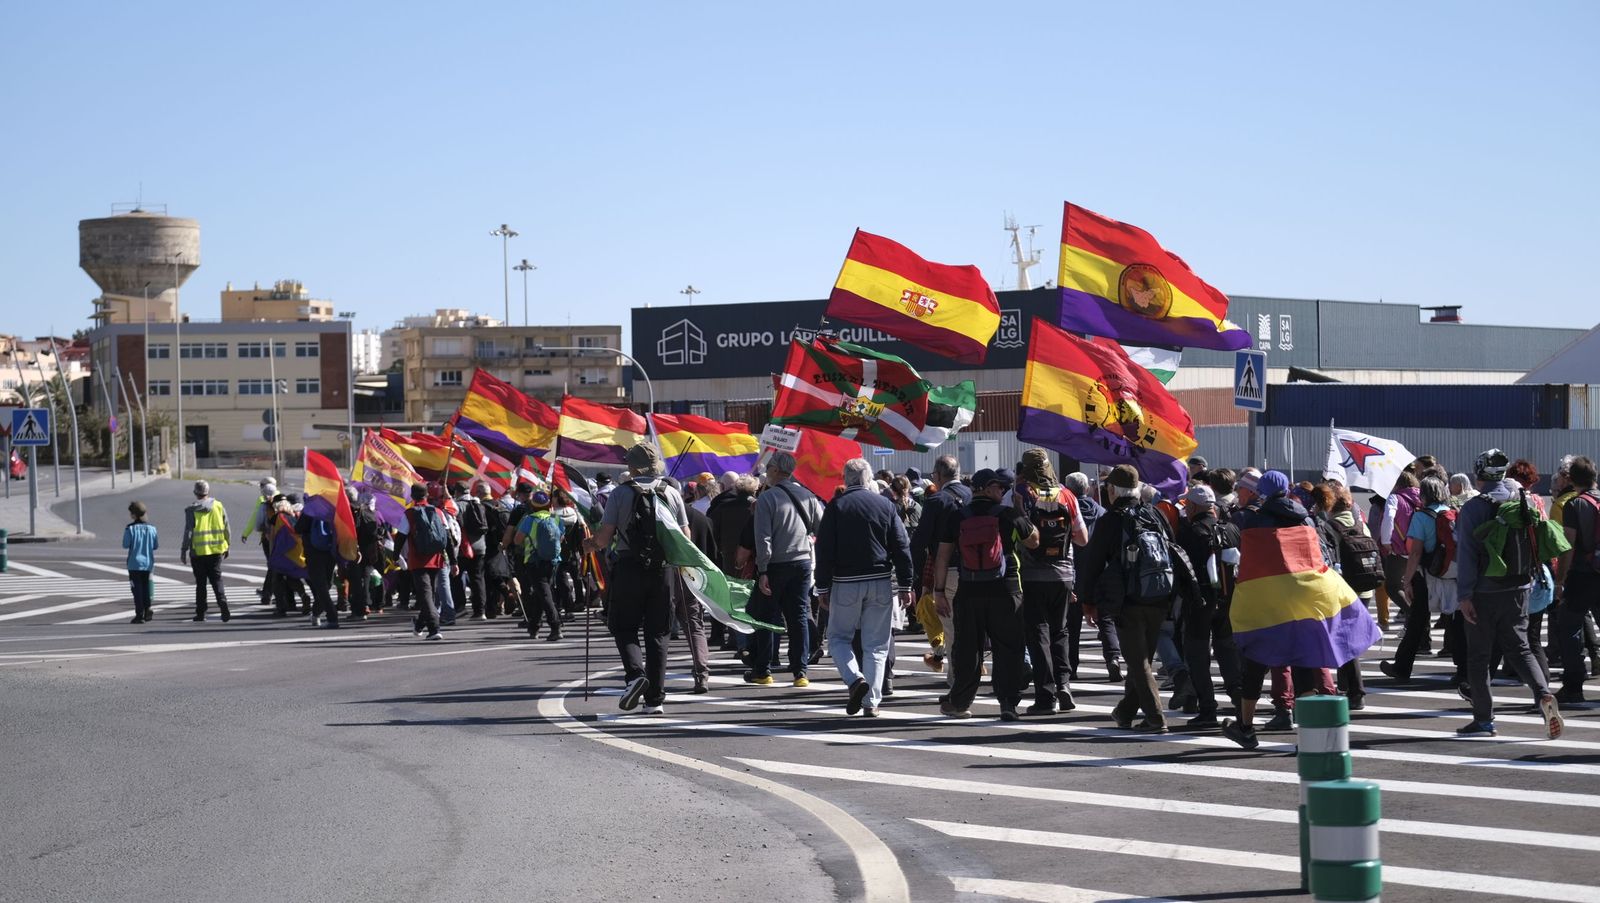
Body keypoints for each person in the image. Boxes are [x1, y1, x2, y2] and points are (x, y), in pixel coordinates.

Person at [1454, 449, 1563, 739]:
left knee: (1479, 656)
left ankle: (1484, 719)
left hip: (1484, 590)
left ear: (1479, 473)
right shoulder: (1523, 499)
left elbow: (1465, 554)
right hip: (1520, 586)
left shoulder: (1474, 508)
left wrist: (1464, 595)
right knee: (1521, 648)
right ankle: (1543, 696)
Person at [585, 443, 690, 714]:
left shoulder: (621, 493)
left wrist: (591, 544)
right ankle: (655, 699)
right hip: (663, 570)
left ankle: (635, 675)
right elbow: (685, 539)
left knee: (623, 626)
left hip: (629, 567)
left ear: (633, 466)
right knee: (659, 633)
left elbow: (605, 537)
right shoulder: (672, 492)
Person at [1076, 464, 1178, 733]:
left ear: (1112, 490)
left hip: (1128, 600)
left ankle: (1156, 718)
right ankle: (1125, 711)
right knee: (1141, 658)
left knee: (1137, 661)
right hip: (1159, 594)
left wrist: (1088, 600)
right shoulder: (1155, 514)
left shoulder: (1111, 520)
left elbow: (1093, 562)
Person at [932, 468, 1039, 721]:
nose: (1002, 491)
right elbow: (1034, 541)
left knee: (968, 648)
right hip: (1007, 589)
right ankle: (1008, 704)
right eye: (999, 487)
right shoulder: (1008, 513)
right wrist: (1021, 510)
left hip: (969, 591)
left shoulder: (958, 517)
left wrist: (939, 591)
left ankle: (959, 703)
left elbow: (943, 555)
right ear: (987, 488)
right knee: (1009, 648)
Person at [816, 458, 913, 717]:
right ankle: (872, 702)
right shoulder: (885, 505)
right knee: (877, 645)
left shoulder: (836, 506)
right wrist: (905, 584)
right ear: (868, 478)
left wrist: (822, 587)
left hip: (845, 582)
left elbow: (824, 550)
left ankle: (854, 678)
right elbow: (902, 547)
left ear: (845, 478)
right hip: (880, 580)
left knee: (837, 638)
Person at [1016, 450, 1088, 715]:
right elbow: (1083, 539)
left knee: (1038, 634)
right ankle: (1065, 685)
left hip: (1032, 575)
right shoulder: (1067, 495)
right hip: (1064, 575)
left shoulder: (1022, 493)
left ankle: (1045, 697)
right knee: (1061, 632)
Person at [749, 451, 825, 688]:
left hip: (775, 564)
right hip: (802, 562)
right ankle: (800, 671)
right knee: (799, 616)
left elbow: (763, 538)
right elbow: (820, 528)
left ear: (774, 470)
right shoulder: (808, 495)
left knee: (767, 617)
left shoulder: (767, 498)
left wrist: (762, 570)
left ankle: (763, 669)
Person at [1384, 477, 1463, 687]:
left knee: (1417, 621)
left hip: (1427, 574)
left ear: (1424, 495)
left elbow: (1416, 551)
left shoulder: (1421, 516)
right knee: (1457, 622)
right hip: (1453, 573)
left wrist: (1407, 581)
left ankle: (1401, 667)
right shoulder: (1453, 512)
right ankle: (1463, 670)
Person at [1175, 483, 1241, 729]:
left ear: (1193, 506)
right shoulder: (1233, 529)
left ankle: (1207, 709)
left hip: (1199, 602)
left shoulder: (1190, 532)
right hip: (1229, 601)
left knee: (1198, 656)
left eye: (1186, 505)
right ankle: (1239, 700)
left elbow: (1181, 569)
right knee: (1227, 652)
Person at [910, 455, 972, 677]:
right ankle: (969, 675)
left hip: (948, 570)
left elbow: (920, 540)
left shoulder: (937, 500)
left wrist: (916, 576)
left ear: (937, 475)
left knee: (952, 630)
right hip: (976, 570)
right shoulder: (972, 495)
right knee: (970, 627)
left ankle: (958, 685)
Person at [1064, 471, 1123, 683]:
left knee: (1070, 624)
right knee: (1105, 619)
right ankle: (1113, 658)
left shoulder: (1067, 511)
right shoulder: (1102, 512)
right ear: (1087, 489)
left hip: (1072, 572)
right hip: (1100, 573)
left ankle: (1070, 667)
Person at [1555, 456, 1600, 705]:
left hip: (1582, 575)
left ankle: (1574, 685)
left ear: (1571, 479)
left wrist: (1560, 580)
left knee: (1570, 628)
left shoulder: (1575, 505)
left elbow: (1568, 546)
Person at [513, 489, 566, 641]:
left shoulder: (529, 519)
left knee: (544, 594)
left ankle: (555, 626)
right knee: (540, 593)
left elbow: (517, 540)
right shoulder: (556, 518)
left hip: (534, 561)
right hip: (554, 561)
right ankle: (534, 627)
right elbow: (561, 537)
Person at [399, 482, 450, 641]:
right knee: (427, 595)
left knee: (426, 596)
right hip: (436, 559)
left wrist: (395, 557)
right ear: (427, 495)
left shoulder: (409, 514)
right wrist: (453, 561)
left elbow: (400, 537)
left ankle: (434, 629)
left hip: (418, 560)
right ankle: (419, 624)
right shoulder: (438, 512)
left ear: (412, 496)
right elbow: (448, 538)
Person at [180, 479, 231, 623]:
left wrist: (184, 550)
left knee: (201, 584)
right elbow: (226, 527)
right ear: (208, 492)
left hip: (198, 552)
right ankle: (223, 604)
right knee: (217, 579)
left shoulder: (191, 510)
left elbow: (188, 532)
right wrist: (227, 545)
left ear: (195, 493)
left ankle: (201, 613)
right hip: (216, 550)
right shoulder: (218, 505)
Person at [296, 497, 341, 629]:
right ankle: (316, 614)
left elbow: (298, 528)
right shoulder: (333, 508)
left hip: (314, 552)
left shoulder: (310, 509)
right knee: (326, 584)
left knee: (321, 585)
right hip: (330, 550)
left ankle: (332, 617)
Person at [453, 482, 490, 620]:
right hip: (480, 547)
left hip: (464, 548)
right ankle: (480, 611)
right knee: (478, 578)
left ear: (457, 492)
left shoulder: (458, 506)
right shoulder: (479, 504)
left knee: (456, 577)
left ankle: (460, 607)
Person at [241, 477, 277, 603]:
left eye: (262, 485)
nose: (260, 487)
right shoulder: (284, 499)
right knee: (279, 565)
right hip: (283, 538)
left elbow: (255, 520)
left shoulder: (263, 500)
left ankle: (268, 593)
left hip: (268, 538)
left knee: (273, 565)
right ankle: (277, 593)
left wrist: (246, 533)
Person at [123, 501, 159, 623]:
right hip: (148, 563)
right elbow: (155, 546)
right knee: (145, 587)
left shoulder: (130, 528)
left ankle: (139, 614)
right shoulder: (152, 529)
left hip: (134, 563)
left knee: (136, 589)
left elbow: (125, 544)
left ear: (134, 514)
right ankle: (147, 608)